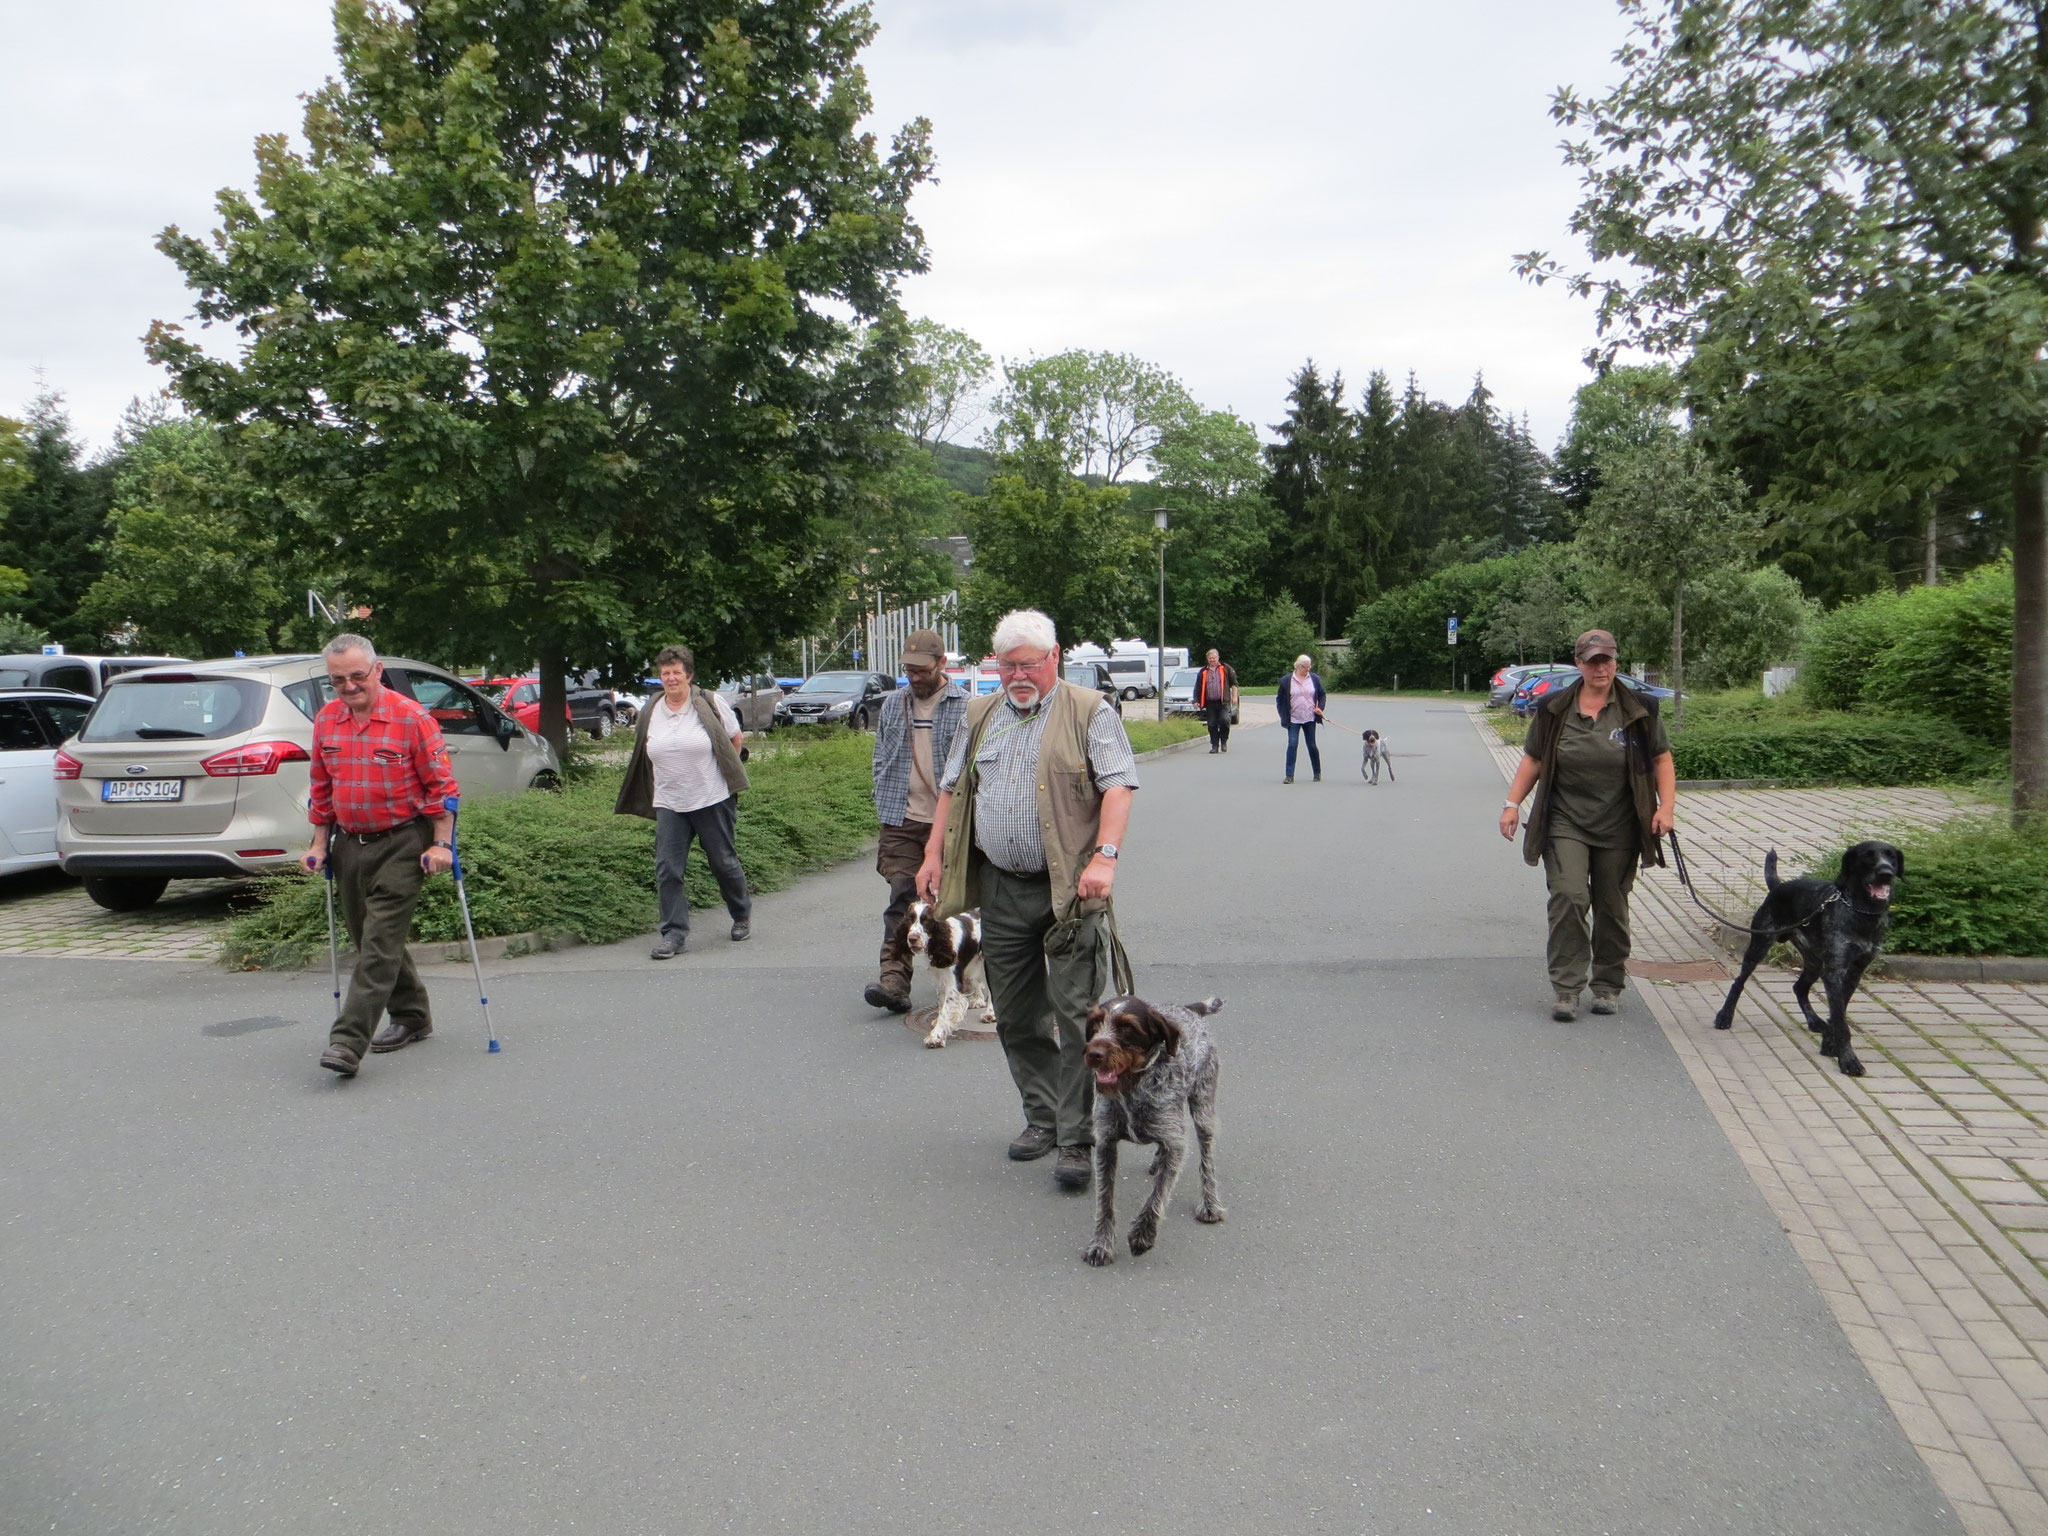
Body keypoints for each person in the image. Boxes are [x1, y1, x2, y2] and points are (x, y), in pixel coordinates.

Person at [916, 609, 1139, 1193]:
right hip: (1002, 889)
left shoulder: (1091, 712)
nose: (1017, 675)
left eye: (1028, 665)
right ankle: (1041, 1118)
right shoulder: (978, 714)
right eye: (1006, 665)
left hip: (1070, 889)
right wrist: (933, 854)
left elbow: (1118, 785)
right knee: (1015, 1015)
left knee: (1076, 1016)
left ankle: (1076, 1136)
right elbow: (951, 788)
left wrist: (1105, 857)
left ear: (1055, 658)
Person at [1499, 629, 1677, 1022]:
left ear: (1615, 662)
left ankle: (1608, 985)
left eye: (1607, 660)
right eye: (1593, 661)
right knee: (1569, 897)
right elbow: (1533, 759)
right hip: (1565, 821)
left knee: (1611, 905)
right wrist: (1512, 805)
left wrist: (1666, 809)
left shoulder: (1639, 708)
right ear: (1578, 663)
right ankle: (1566, 987)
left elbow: (1661, 759)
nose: (1601, 667)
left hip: (1621, 824)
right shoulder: (1554, 708)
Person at [302, 634, 458, 1078]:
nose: (348, 687)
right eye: (337, 680)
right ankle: (412, 1014)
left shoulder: (412, 719)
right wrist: (318, 843)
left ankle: (348, 1041)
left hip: (404, 841)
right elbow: (321, 787)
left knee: (379, 941)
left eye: (356, 676)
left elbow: (442, 789)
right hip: (350, 843)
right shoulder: (327, 720)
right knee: (367, 937)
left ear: (377, 671)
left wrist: (441, 843)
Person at [615, 643, 751, 959]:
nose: (672, 678)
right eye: (666, 673)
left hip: (711, 797)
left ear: (688, 675)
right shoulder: (650, 711)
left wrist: (727, 770)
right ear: (660, 677)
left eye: (677, 672)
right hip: (669, 801)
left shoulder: (710, 703)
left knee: (723, 862)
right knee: (668, 869)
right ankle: (674, 934)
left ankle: (741, 913)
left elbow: (735, 737)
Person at [865, 629, 969, 1013]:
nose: (914, 676)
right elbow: (882, 754)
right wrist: (882, 793)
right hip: (902, 820)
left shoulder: (967, 706)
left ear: (941, 664)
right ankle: (893, 981)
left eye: (922, 669)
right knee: (902, 898)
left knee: (958, 900)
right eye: (908, 669)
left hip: (953, 823)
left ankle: (969, 973)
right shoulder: (894, 704)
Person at [1276, 653, 1326, 783]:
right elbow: (1280, 700)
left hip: (1309, 717)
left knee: (1312, 745)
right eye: (1305, 667)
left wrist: (1320, 708)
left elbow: (1322, 694)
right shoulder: (1286, 681)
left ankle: (1317, 772)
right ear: (1298, 666)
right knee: (1292, 744)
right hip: (1293, 718)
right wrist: (1283, 714)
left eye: (1309, 667)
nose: (1308, 669)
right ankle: (1289, 775)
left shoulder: (1314, 679)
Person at [1194, 648, 1237, 753]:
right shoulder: (1203, 671)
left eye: (1214, 658)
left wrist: (1234, 697)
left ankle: (1223, 741)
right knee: (1212, 724)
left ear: (1218, 658)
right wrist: (1196, 700)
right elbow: (1198, 687)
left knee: (1224, 720)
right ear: (1207, 659)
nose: (1212, 660)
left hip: (1224, 701)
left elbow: (1234, 683)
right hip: (1210, 702)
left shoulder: (1225, 668)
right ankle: (1214, 745)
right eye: (1210, 658)